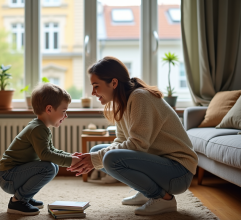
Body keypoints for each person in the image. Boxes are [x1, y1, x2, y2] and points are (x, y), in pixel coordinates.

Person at [68, 56, 198, 216]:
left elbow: (137, 144)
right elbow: (121, 141)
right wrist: (96, 156)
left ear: (114, 83)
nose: (93, 92)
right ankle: (146, 191)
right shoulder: (121, 103)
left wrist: (96, 158)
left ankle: (163, 198)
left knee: (108, 158)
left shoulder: (140, 97)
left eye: (96, 86)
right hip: (161, 165)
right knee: (99, 150)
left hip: (178, 172)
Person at [0, 83, 81, 215]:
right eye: (64, 111)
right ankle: (17, 201)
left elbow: (51, 150)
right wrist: (70, 160)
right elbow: (45, 155)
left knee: (54, 166)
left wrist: (71, 156)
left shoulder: (42, 127)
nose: (66, 116)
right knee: (48, 167)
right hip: (8, 177)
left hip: (13, 175)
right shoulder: (37, 129)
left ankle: (26, 197)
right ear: (49, 109)